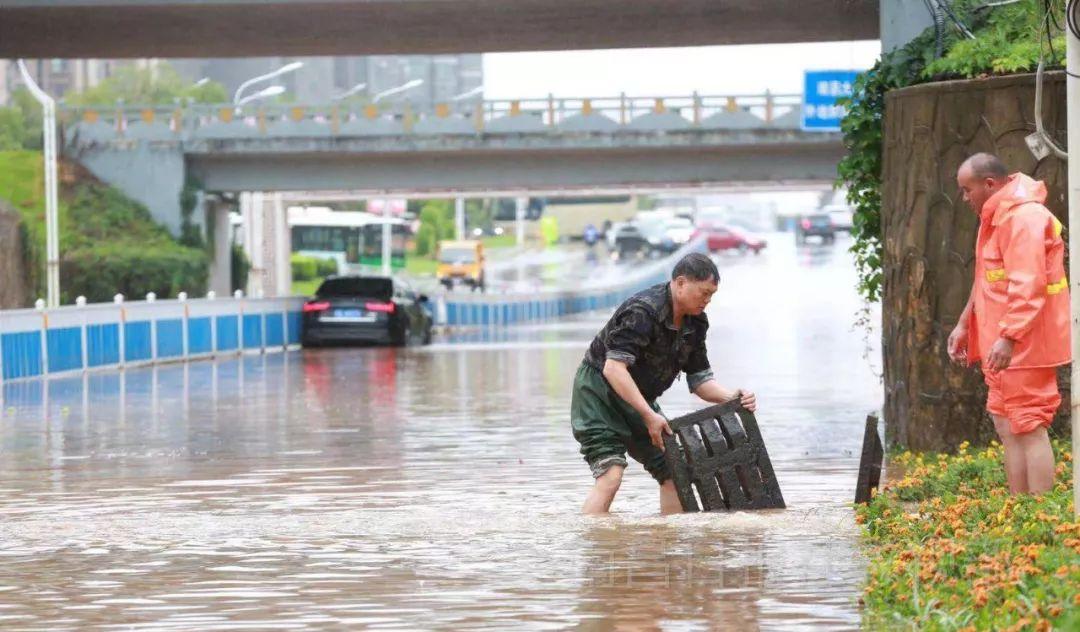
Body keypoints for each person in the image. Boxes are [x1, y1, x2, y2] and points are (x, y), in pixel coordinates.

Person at [571, 252, 757, 514]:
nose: (707, 301)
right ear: (680, 283)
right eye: (703, 293)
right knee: (610, 476)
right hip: (599, 394)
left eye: (711, 295)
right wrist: (649, 415)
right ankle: (594, 547)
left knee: (674, 470)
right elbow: (613, 368)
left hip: (638, 398)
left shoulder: (696, 323)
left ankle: (667, 545)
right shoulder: (643, 311)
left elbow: (700, 381)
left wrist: (733, 398)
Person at [947, 153, 1070, 495]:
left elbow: (1028, 286)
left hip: (1025, 343)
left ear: (989, 184)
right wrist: (965, 325)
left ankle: (1038, 513)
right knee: (1007, 424)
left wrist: (1010, 337)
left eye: (966, 189)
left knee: (1028, 424)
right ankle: (1019, 510)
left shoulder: (1023, 217)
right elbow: (987, 278)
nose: (964, 197)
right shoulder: (996, 217)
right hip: (1003, 343)